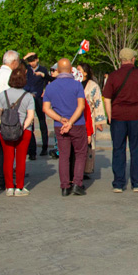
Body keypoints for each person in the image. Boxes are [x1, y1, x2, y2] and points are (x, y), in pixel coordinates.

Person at [102, 48, 138, 193]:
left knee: (118, 149)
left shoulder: (113, 76)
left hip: (118, 116)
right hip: (137, 115)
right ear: (133, 59)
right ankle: (136, 183)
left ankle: (118, 183)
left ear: (120, 59)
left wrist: (109, 115)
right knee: (136, 150)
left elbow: (107, 98)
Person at [42, 58, 88, 196]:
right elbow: (81, 106)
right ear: (70, 70)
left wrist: (61, 120)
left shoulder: (50, 86)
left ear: (57, 70)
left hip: (59, 125)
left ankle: (64, 186)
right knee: (80, 154)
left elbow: (46, 108)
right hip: (77, 124)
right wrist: (71, 122)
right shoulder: (77, 85)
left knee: (63, 155)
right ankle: (77, 183)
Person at [0, 62, 36, 197]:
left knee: (8, 158)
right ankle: (19, 187)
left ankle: (9, 187)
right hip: (23, 130)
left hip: (6, 129)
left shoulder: (2, 95)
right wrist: (23, 127)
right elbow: (30, 116)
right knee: (21, 158)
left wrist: (2, 125)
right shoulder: (28, 96)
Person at [79, 63, 107, 180]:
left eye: (79, 70)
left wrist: (98, 121)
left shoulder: (93, 86)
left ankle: (86, 169)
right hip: (76, 118)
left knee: (89, 144)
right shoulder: (74, 84)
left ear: (85, 72)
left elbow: (98, 103)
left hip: (89, 117)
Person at [23, 52, 51, 160]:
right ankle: (31, 149)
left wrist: (45, 89)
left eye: (33, 61)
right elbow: (19, 63)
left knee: (42, 121)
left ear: (37, 60)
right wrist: (26, 56)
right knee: (30, 122)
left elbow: (49, 79)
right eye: (30, 61)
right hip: (29, 97)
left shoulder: (43, 69)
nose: (32, 63)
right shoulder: (27, 69)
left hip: (39, 97)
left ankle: (44, 147)